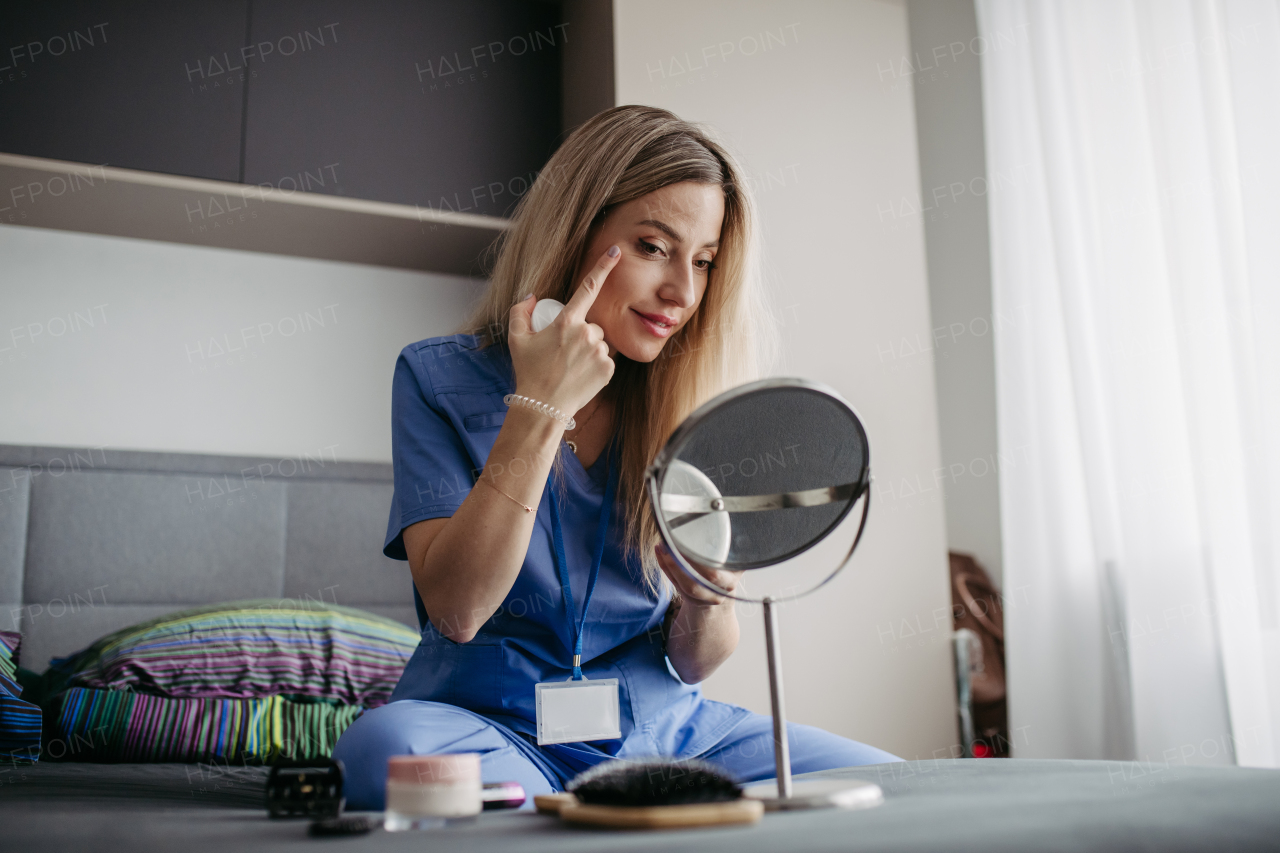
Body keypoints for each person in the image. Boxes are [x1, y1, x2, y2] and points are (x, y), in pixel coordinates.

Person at [332, 105, 900, 810]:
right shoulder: (435, 379)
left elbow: (697, 657)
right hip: (490, 726)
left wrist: (702, 597)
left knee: (897, 783)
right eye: (654, 247)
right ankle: (578, 799)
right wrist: (540, 406)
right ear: (576, 234)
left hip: (668, 730)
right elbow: (458, 609)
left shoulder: (687, 399)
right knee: (383, 753)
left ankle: (585, 804)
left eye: (703, 262)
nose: (682, 293)